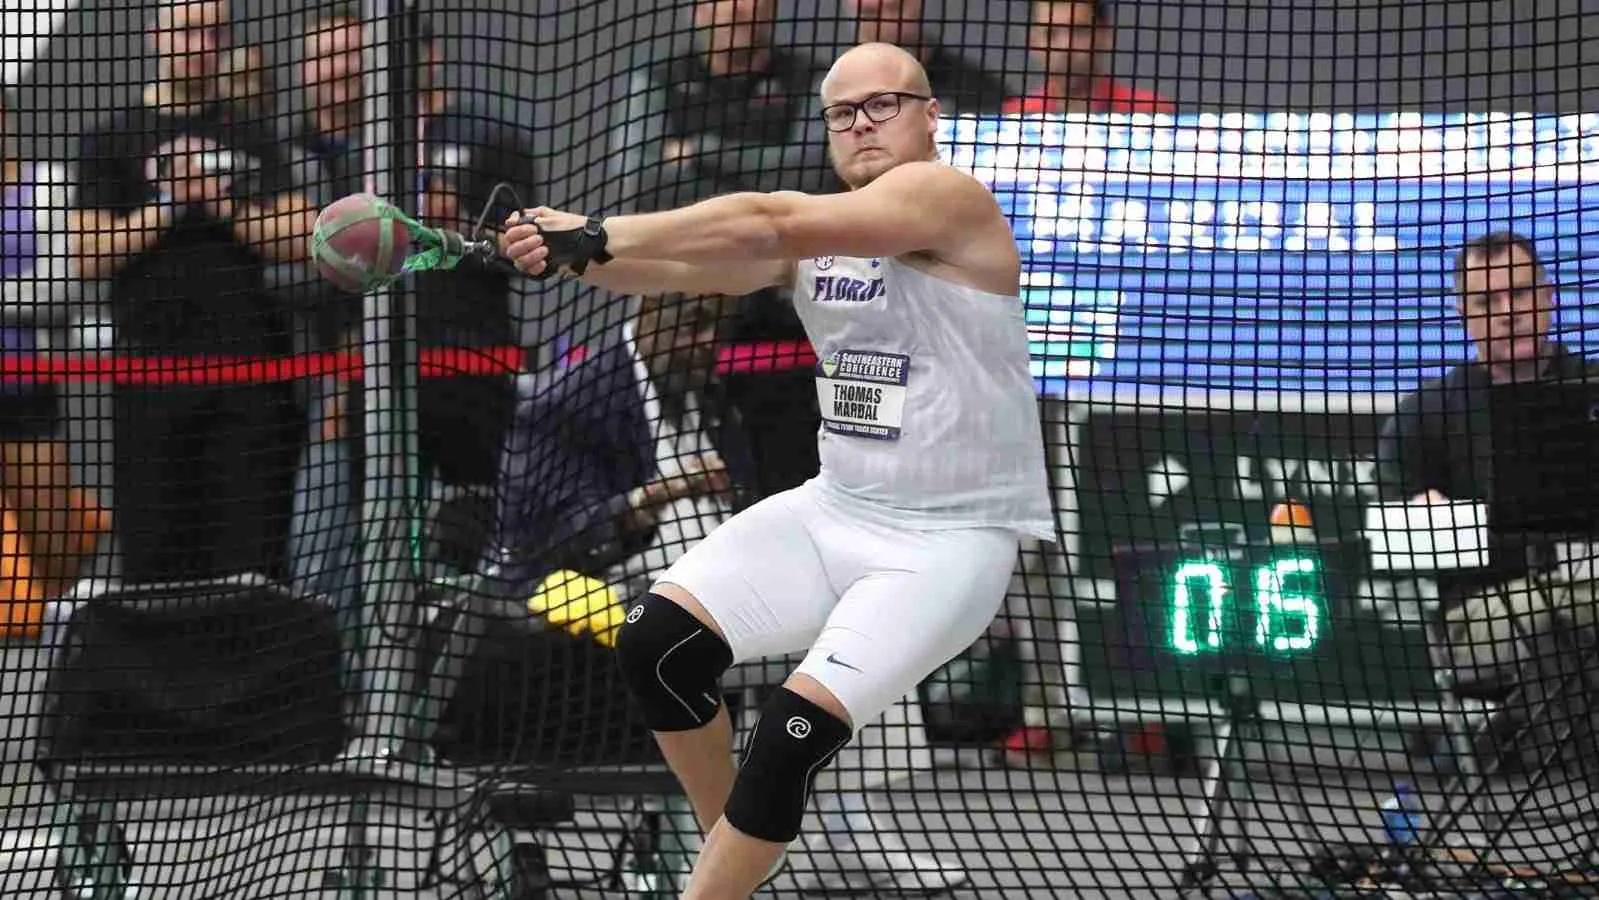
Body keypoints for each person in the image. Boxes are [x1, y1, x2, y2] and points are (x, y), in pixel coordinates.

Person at [502, 42, 1054, 899]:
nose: (862, 124)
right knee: (657, 644)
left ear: (929, 116)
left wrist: (598, 228)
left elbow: (770, 219)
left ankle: (720, 877)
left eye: (884, 104)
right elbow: (679, 270)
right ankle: (740, 858)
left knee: (790, 735)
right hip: (835, 511)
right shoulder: (818, 242)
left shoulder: (946, 199)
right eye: (843, 112)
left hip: (946, 545)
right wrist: (569, 254)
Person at [67, 0, 312, 584]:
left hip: (247, 370)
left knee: (249, 556)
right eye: (188, 31)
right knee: (156, 554)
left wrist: (218, 201)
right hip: (152, 372)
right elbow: (89, 253)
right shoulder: (113, 138)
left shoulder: (252, 135)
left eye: (214, 31)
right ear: (156, 37)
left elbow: (302, 233)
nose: (203, 44)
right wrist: (171, 203)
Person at [1377, 231, 1599, 697]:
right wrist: (1428, 517)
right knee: (1555, 617)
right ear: (1464, 314)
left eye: (1519, 294)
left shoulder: (1592, 390)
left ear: (1548, 296)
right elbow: (1395, 534)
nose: (1507, 313)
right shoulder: (1425, 413)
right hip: (1478, 614)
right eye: (1486, 302)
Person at [1003, 0, 1174, 115]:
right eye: (1051, 33)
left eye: (1079, 30)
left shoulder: (1150, 112)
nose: (1066, 46)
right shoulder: (1018, 116)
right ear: (1033, 43)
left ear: (1105, 35)